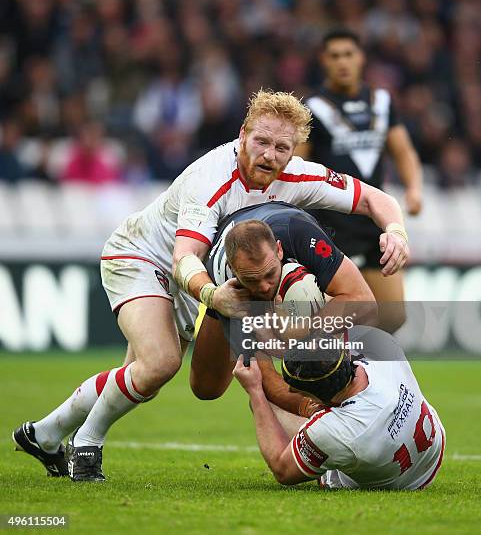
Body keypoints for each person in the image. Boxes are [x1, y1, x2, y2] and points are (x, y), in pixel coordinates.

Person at [13, 89, 408, 482]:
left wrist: (395, 230)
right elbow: (183, 257)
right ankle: (87, 445)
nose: (270, 154)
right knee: (161, 363)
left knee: (141, 376)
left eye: (282, 147)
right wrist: (211, 295)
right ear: (242, 135)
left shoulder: (298, 175)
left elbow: (376, 199)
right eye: (262, 142)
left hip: (202, 272)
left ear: (294, 150)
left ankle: (43, 434)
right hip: (144, 255)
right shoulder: (212, 179)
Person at [298, 29, 422, 332]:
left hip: (373, 224)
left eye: (349, 54)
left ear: (361, 58)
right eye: (335, 56)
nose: (343, 62)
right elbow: (297, 165)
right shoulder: (313, 108)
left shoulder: (381, 101)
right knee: (337, 317)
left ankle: (364, 371)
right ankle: (330, 373)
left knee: (393, 316)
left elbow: (402, 150)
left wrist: (414, 188)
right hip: (330, 225)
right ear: (324, 61)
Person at [190, 203, 376, 404]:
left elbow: (365, 302)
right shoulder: (229, 290)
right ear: (233, 270)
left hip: (283, 218)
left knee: (331, 346)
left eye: (269, 274)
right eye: (252, 280)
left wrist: (302, 332)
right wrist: (314, 410)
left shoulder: (300, 235)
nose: (263, 287)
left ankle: (352, 373)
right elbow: (266, 380)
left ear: (279, 250)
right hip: (231, 287)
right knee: (207, 388)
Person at [232, 327, 446, 490]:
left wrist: (255, 391)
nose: (296, 394)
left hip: (398, 481)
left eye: (301, 392)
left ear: (316, 398)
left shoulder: (334, 431)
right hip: (431, 449)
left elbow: (282, 469)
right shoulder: (378, 342)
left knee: (266, 406)